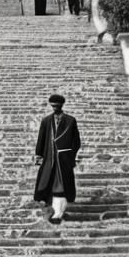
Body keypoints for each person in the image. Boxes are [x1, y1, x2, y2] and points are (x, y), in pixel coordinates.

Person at [33, 93, 81, 225]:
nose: (55, 108)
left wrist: (71, 156)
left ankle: (58, 213)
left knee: (62, 186)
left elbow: (76, 141)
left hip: (63, 160)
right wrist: (38, 154)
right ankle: (51, 210)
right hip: (49, 158)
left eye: (57, 106)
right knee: (46, 184)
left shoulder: (70, 120)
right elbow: (41, 138)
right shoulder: (46, 121)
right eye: (53, 106)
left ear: (62, 105)